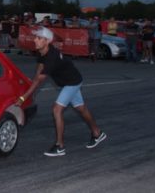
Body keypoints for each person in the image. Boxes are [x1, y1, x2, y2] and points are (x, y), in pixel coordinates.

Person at [16, 27, 106, 157]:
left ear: (46, 41)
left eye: (38, 38)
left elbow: (38, 81)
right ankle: (97, 133)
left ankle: (59, 146)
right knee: (81, 109)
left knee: (56, 110)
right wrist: (30, 92)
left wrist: (23, 98)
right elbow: (37, 75)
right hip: (71, 81)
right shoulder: (42, 52)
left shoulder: (51, 57)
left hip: (72, 82)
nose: (34, 40)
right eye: (35, 37)